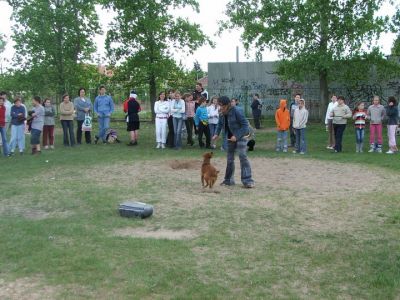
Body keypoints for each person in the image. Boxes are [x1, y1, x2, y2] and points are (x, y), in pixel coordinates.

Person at [212, 96, 255, 188]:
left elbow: (245, 126)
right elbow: (219, 124)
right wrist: (216, 134)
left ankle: (248, 181)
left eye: (221, 105)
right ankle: (228, 180)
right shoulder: (222, 112)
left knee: (242, 156)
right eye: (219, 105)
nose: (219, 107)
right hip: (230, 137)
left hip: (242, 135)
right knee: (230, 159)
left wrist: (237, 136)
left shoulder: (237, 111)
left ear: (227, 105)